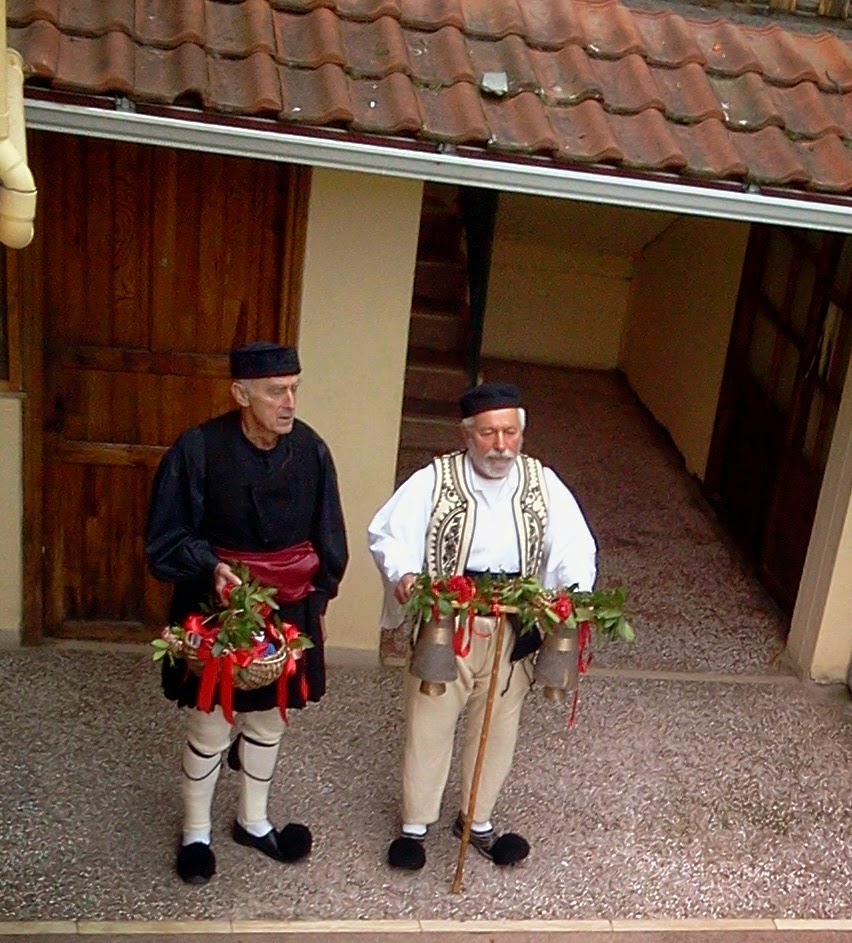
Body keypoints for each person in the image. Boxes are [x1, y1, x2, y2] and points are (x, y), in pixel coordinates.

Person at [368, 381, 596, 871]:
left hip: (513, 624)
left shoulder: (542, 482)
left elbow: (574, 543)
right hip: (448, 621)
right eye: (489, 433)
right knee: (430, 718)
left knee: (498, 724)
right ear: (467, 434)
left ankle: (478, 818)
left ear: (521, 434)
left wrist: (572, 590)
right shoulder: (435, 478)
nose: (500, 445)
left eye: (510, 433)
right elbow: (387, 532)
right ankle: (415, 824)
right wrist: (405, 574)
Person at [145, 342, 348, 885]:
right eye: (276, 391)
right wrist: (209, 566)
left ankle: (253, 822)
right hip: (216, 609)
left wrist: (316, 604)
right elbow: (164, 540)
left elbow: (329, 535)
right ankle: (195, 832)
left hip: (288, 610)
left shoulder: (311, 451)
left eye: (295, 389)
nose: (290, 401)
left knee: (268, 717)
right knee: (210, 723)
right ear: (240, 394)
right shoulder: (198, 449)